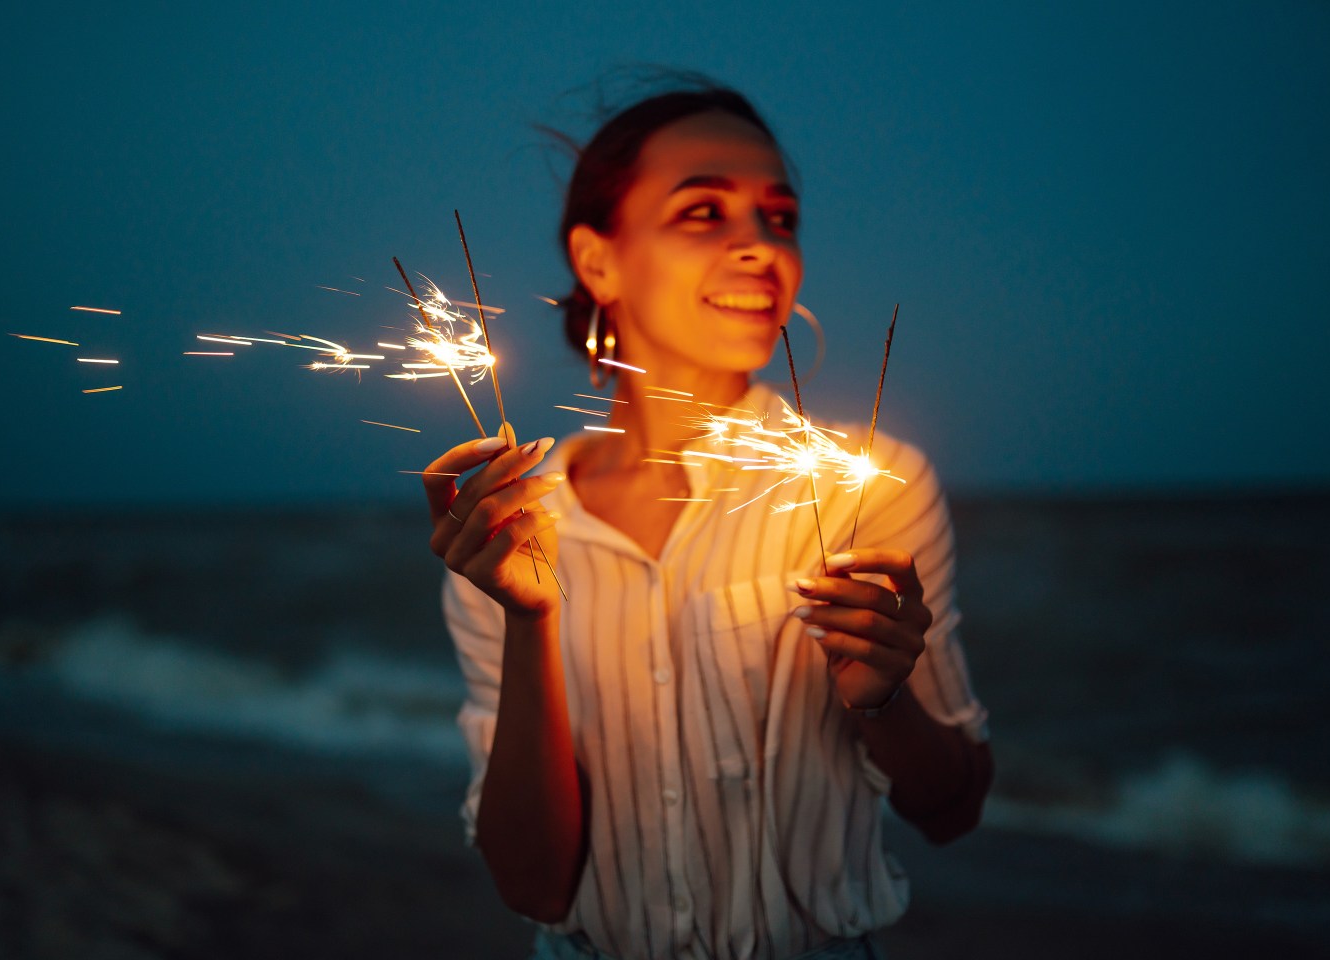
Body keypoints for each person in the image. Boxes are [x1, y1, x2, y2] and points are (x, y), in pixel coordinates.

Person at [422, 83, 993, 960]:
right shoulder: (512, 523)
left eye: (780, 218)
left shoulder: (866, 489)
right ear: (599, 261)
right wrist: (530, 619)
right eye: (702, 211)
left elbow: (952, 811)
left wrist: (883, 699)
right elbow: (532, 885)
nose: (761, 248)